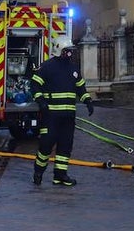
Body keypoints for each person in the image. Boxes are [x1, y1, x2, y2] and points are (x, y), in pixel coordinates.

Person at [31, 45, 94, 187]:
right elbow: (35, 84)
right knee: (46, 145)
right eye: (67, 50)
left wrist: (88, 100)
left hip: (68, 116)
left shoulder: (73, 69)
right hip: (51, 115)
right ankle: (38, 172)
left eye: (71, 51)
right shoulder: (47, 67)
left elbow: (80, 88)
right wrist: (40, 100)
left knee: (65, 146)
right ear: (60, 50)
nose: (70, 53)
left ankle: (60, 176)